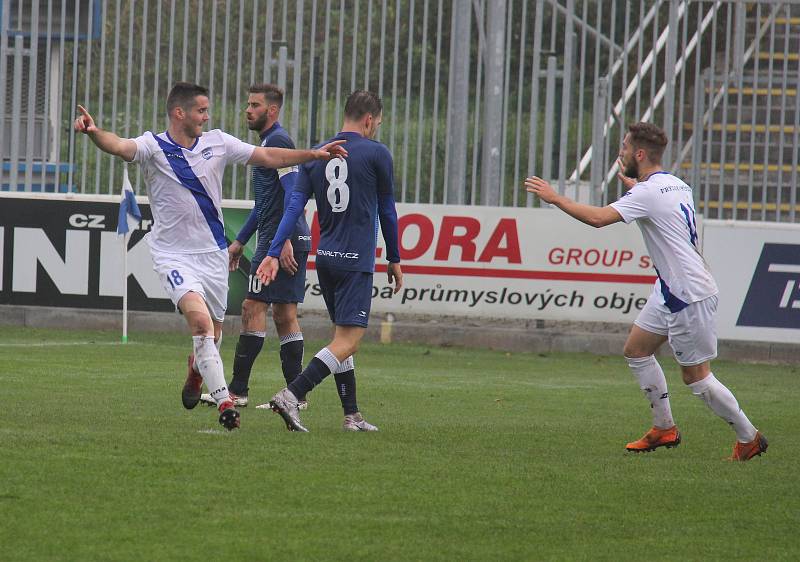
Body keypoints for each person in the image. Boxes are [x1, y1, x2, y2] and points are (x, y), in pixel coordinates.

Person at [74, 81, 347, 431]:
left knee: (213, 336)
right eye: (201, 110)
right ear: (179, 113)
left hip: (213, 256)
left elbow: (268, 157)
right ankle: (226, 404)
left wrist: (312, 154)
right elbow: (120, 146)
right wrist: (95, 132)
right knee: (201, 325)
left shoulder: (218, 142)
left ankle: (195, 372)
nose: (207, 116)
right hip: (172, 255)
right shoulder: (152, 146)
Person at [524, 121, 767, 461]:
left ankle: (748, 436)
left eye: (624, 147)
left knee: (696, 379)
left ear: (639, 153)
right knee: (637, 350)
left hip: (688, 293)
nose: (620, 153)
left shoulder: (646, 193)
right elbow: (656, 205)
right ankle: (664, 427)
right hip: (670, 288)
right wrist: (636, 187)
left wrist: (554, 198)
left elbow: (597, 219)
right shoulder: (675, 185)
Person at [256, 90, 403, 432]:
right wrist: (394, 257)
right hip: (355, 260)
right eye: (377, 123)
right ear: (369, 119)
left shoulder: (316, 154)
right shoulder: (377, 153)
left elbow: (294, 208)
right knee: (348, 340)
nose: (376, 128)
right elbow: (387, 211)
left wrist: (274, 251)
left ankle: (352, 415)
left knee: (341, 339)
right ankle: (292, 396)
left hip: (326, 259)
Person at [198, 84, 311, 410]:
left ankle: (250, 392)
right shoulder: (267, 143)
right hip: (275, 237)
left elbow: (294, 195)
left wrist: (284, 240)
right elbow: (265, 205)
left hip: (282, 240)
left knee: (265, 310)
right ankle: (283, 394)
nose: (248, 110)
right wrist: (240, 241)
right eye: (248, 103)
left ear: (272, 111)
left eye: (255, 105)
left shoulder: (278, 142)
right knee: (272, 312)